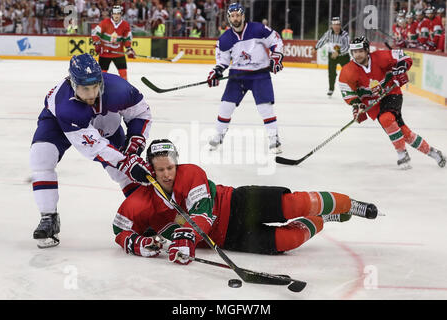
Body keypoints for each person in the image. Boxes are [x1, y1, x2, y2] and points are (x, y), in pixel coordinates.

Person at [112, 139, 378, 263]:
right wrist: (138, 244)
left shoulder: (191, 173)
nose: (167, 174)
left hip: (235, 202)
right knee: (288, 242)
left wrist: (186, 238)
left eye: (170, 167)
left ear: (176, 162)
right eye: (160, 170)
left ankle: (349, 204)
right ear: (151, 170)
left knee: (295, 205)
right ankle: (323, 219)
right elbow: (119, 229)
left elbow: (203, 213)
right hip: (228, 238)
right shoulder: (141, 200)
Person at [30, 53, 153, 249]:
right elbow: (94, 147)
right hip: (58, 123)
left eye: (95, 87)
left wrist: (136, 141)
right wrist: (124, 161)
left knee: (122, 173)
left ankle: (147, 216)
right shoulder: (65, 106)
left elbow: (140, 113)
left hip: (105, 122)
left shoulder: (119, 89)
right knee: (41, 157)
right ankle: (49, 217)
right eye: (85, 89)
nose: (91, 94)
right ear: (72, 83)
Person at [338, 36, 445, 169]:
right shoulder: (348, 71)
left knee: (386, 118)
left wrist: (402, 66)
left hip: (391, 93)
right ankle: (433, 153)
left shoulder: (380, 57)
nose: (357, 55)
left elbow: (402, 56)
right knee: (404, 133)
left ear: (367, 50)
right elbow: (348, 91)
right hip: (374, 103)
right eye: (354, 52)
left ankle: (402, 154)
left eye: (360, 51)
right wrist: (357, 105)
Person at [206, 3, 284, 154]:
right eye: (232, 16)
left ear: (243, 16)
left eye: (238, 15)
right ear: (229, 18)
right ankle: (219, 135)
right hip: (238, 76)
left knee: (265, 108)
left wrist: (276, 57)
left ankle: (274, 138)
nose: (235, 18)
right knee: (225, 106)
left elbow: (276, 41)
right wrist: (217, 71)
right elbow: (222, 60)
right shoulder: (224, 39)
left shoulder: (258, 29)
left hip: (260, 74)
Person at [91, 5, 135, 80]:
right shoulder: (105, 22)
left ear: (121, 14)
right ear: (112, 14)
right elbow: (95, 33)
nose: (116, 15)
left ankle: (124, 89)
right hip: (105, 53)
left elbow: (127, 38)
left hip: (118, 53)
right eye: (114, 13)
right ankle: (102, 89)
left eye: (118, 13)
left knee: (123, 74)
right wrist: (97, 43)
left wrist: (129, 48)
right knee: (102, 75)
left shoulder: (125, 25)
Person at [314, 17, 350, 96]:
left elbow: (347, 46)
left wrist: (338, 52)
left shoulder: (345, 35)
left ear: (340, 25)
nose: (336, 27)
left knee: (348, 73)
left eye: (338, 25)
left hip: (343, 56)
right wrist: (316, 47)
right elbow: (322, 40)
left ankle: (351, 88)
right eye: (334, 25)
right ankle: (331, 89)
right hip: (332, 55)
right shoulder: (329, 33)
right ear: (332, 26)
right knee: (331, 73)